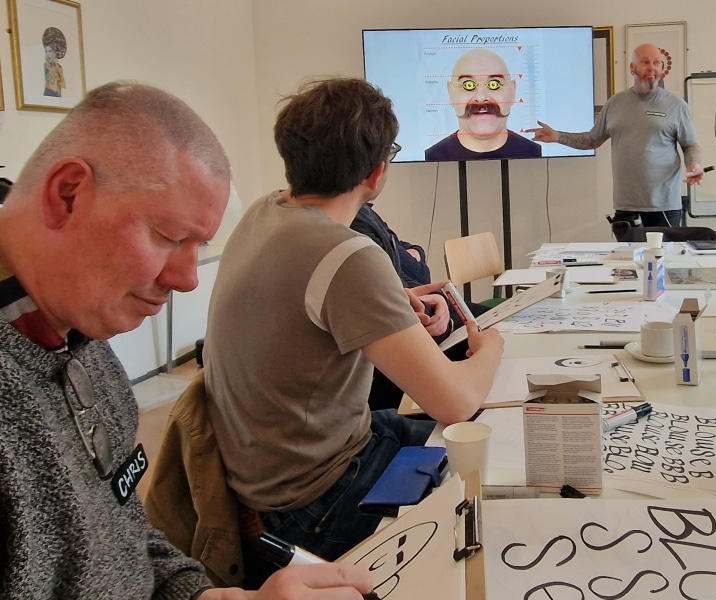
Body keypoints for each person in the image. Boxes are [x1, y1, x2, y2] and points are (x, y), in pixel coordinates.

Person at [0, 81, 374, 599]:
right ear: (67, 194)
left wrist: (207, 595)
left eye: (198, 245)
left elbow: (124, 540)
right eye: (169, 237)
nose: (187, 279)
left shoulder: (80, 339)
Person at [203, 77, 504, 586]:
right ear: (376, 170)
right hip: (314, 498)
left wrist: (389, 302)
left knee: (475, 443)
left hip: (273, 470)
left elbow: (298, 303)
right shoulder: (348, 254)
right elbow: (454, 402)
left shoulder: (265, 211)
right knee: (491, 454)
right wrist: (490, 347)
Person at [530, 43, 705, 228]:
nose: (651, 67)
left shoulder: (676, 105)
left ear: (662, 68)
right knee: (628, 249)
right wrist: (557, 136)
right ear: (632, 67)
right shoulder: (615, 103)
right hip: (626, 206)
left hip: (664, 206)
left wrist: (694, 164)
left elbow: (690, 145)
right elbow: (592, 140)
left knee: (663, 249)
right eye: (645, 62)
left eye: (656, 62)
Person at [350, 202, 491, 410]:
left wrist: (431, 292)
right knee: (491, 337)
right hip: (375, 396)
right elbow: (456, 407)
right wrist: (490, 351)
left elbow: (412, 264)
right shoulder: (353, 228)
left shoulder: (361, 213)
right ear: (373, 181)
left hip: (418, 318)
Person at [425, 48, 542, 161]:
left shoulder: (535, 154)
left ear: (512, 92)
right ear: (451, 94)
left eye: (494, 84)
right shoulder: (431, 158)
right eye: (468, 85)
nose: (481, 98)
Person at [42, 27, 67, 97]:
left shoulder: (59, 68)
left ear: (54, 52)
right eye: (46, 51)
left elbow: (59, 87)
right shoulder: (46, 66)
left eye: (50, 51)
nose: (48, 54)